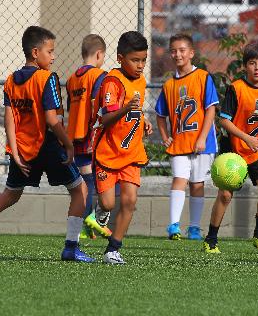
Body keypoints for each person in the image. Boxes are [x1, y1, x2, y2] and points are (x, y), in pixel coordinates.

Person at [0, 26, 94, 263]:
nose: (53, 56)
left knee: (9, 195)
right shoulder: (46, 78)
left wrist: (15, 153)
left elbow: (9, 118)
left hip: (23, 150)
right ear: (36, 52)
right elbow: (51, 120)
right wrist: (68, 144)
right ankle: (71, 246)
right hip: (48, 145)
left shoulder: (10, 80)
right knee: (80, 190)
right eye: (50, 51)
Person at [203, 43, 258, 254]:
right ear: (245, 66)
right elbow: (224, 121)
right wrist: (247, 138)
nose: (257, 67)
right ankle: (211, 239)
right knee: (225, 196)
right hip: (234, 147)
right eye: (252, 63)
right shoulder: (236, 88)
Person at [91, 31, 152, 264]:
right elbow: (106, 119)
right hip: (108, 152)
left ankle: (113, 249)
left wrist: (143, 121)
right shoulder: (112, 82)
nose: (140, 65)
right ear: (119, 58)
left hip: (132, 152)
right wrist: (127, 109)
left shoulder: (142, 81)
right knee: (108, 203)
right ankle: (102, 208)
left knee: (129, 201)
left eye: (144, 60)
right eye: (135, 60)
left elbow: (135, 110)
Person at [155, 34, 218, 240]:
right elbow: (160, 114)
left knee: (197, 185)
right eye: (173, 50)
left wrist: (202, 137)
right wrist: (165, 136)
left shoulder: (203, 77)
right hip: (179, 144)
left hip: (203, 144)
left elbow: (210, 110)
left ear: (191, 53)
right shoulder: (168, 85)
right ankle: (173, 225)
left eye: (182, 50)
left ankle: (194, 227)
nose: (177, 54)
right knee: (179, 180)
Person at [66, 34, 111, 239]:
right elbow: (99, 106)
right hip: (92, 134)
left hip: (74, 135)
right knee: (96, 180)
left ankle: (85, 228)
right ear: (99, 54)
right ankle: (90, 220)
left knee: (84, 182)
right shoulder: (100, 76)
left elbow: (69, 108)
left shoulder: (71, 79)